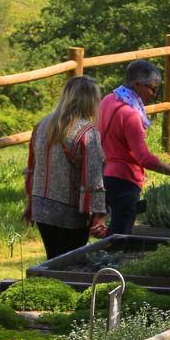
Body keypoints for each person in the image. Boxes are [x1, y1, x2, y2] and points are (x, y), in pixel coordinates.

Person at [99, 59, 170, 235]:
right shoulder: (130, 115)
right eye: (152, 88)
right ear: (137, 85)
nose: (154, 93)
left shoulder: (108, 99)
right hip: (125, 179)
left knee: (112, 233)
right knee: (122, 236)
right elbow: (144, 158)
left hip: (107, 175)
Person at [24, 75, 108, 260]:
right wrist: (100, 215)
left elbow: (32, 168)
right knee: (68, 265)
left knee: (52, 259)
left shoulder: (42, 124)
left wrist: (29, 203)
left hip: (40, 206)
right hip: (70, 212)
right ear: (91, 100)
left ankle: (47, 288)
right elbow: (94, 178)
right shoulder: (87, 132)